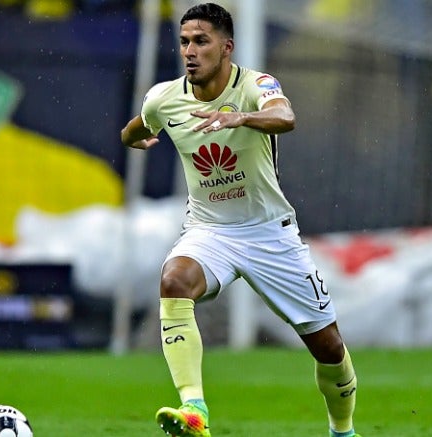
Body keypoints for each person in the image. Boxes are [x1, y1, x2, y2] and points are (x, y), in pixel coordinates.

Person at [120, 4, 360, 437]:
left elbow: (286, 117)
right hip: (210, 231)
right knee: (174, 280)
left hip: (270, 235)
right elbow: (134, 128)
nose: (189, 51)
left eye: (201, 41)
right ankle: (194, 409)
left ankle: (342, 430)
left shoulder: (255, 85)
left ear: (226, 47)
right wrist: (139, 138)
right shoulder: (164, 97)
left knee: (329, 347)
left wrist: (243, 118)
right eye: (184, 42)